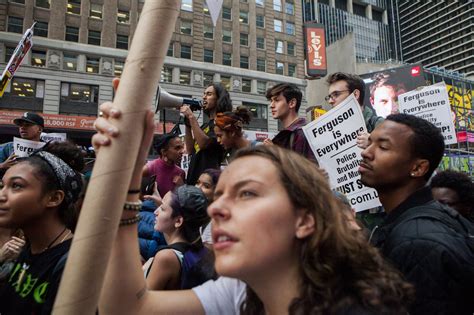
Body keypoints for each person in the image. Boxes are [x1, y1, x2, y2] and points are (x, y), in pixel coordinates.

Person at [93, 104, 412, 314]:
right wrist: (126, 173)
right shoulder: (242, 291)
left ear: (303, 220)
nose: (215, 209)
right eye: (218, 196)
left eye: (246, 194)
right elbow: (126, 306)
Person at [359, 114, 474, 315]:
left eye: (383, 147)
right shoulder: (417, 223)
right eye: (369, 142)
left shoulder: (416, 242)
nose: (366, 153)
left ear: (418, 168)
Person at [0, 141, 84, 315]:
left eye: (16, 186)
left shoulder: (74, 267)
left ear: (54, 198)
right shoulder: (25, 249)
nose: (1, 195)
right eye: (2, 186)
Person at [181, 83, 232, 185]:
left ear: (219, 99)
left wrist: (192, 117)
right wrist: (187, 123)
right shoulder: (205, 125)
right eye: (204, 94)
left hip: (207, 183)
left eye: (209, 94)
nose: (204, 97)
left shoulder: (223, 123)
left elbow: (203, 144)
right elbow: (191, 149)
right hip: (193, 180)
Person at [263, 83, 316, 162]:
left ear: (292, 103)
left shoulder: (301, 133)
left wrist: (275, 152)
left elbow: (302, 170)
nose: (271, 105)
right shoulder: (288, 134)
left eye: (277, 100)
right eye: (271, 101)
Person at [195, 169, 222, 247]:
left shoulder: (217, 222)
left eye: (206, 186)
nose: (198, 188)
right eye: (198, 183)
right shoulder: (198, 212)